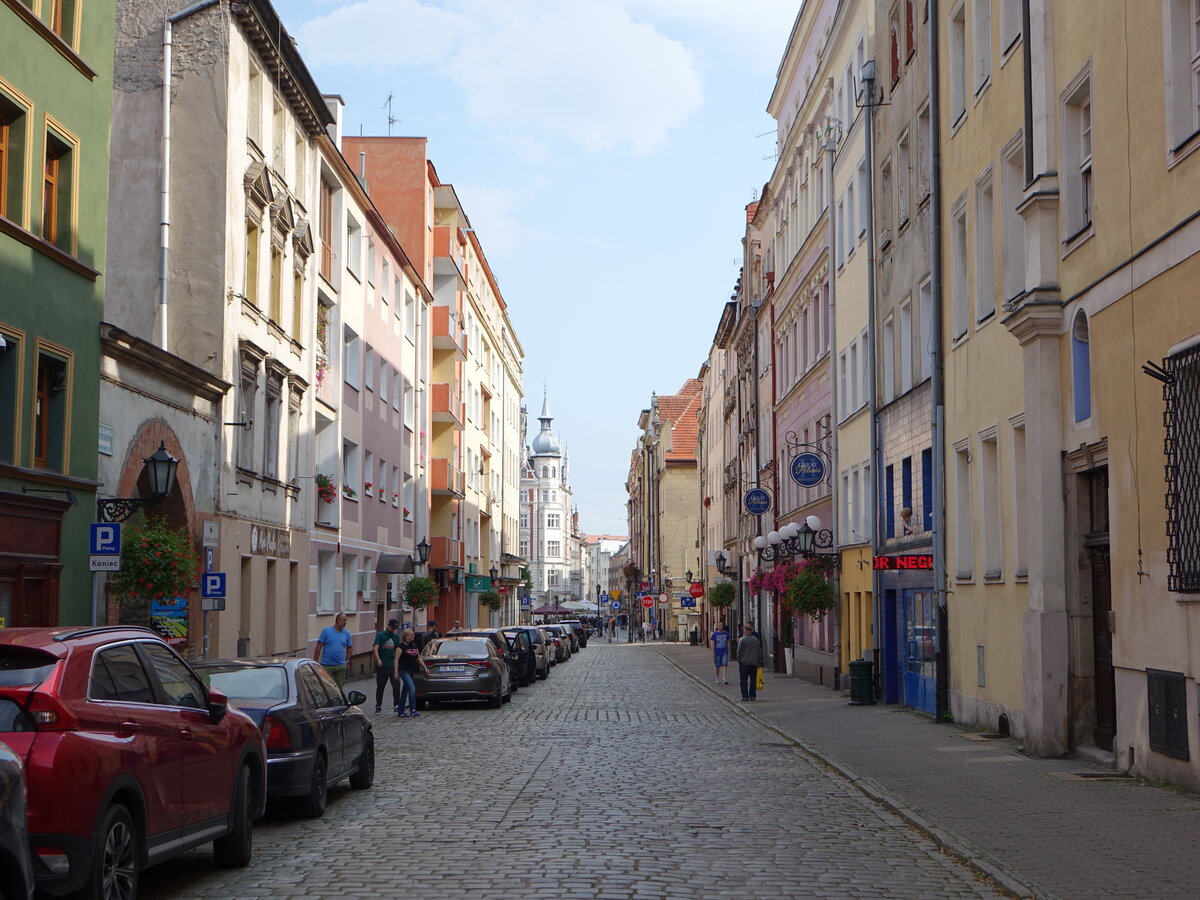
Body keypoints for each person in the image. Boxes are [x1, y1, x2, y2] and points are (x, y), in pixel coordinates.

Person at [395, 628, 428, 717]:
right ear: (406, 636)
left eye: (413, 634)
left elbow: (419, 657)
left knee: (405, 691)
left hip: (412, 670)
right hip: (403, 670)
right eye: (411, 634)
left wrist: (425, 668)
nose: (413, 636)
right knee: (412, 688)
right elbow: (396, 659)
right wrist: (395, 671)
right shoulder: (400, 646)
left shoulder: (414, 645)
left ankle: (400, 710)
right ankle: (413, 709)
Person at [314, 613, 353, 687]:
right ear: (338, 620)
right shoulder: (326, 631)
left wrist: (348, 660)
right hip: (327, 665)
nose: (345, 623)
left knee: (339, 688)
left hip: (340, 665)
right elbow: (319, 645)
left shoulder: (346, 633)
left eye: (346, 621)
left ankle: (338, 698)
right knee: (326, 686)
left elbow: (350, 647)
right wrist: (315, 660)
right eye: (344, 620)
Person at [372, 619, 402, 714]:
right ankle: (378, 705)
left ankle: (396, 705)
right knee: (380, 687)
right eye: (392, 627)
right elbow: (375, 648)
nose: (393, 629)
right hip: (383, 666)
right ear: (388, 626)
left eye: (395, 628)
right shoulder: (381, 635)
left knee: (396, 686)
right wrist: (378, 659)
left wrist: (397, 663)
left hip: (392, 665)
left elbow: (398, 649)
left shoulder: (396, 637)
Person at [735, 623, 763, 701]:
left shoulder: (742, 640)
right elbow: (759, 652)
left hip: (744, 663)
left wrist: (739, 659)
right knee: (753, 680)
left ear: (747, 630)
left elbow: (739, 652)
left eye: (744, 629)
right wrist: (759, 661)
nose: (743, 631)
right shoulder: (755, 640)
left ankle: (745, 696)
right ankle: (753, 695)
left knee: (743, 680)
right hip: (754, 663)